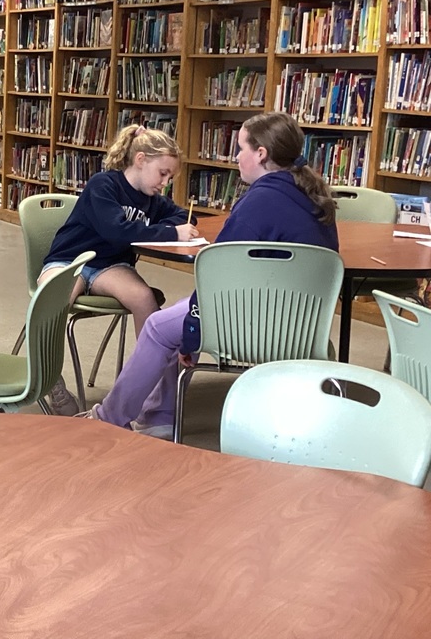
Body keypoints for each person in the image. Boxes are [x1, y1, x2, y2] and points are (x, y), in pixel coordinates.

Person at [81, 112, 339, 438]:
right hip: (301, 327)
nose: (235, 157)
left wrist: (192, 332)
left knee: (159, 327)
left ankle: (114, 419)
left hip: (252, 323)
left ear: (260, 154)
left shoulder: (257, 202)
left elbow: (219, 282)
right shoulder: (314, 197)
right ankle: (156, 417)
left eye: (240, 148)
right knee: (178, 314)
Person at [42, 124, 197, 415]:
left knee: (144, 299)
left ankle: (150, 387)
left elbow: (182, 215)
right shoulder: (104, 184)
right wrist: (171, 233)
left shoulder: (152, 200)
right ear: (140, 160)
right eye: (162, 173)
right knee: (53, 301)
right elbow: (116, 230)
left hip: (109, 266)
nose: (165, 182)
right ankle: (50, 380)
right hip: (70, 259)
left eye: (170, 176)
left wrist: (168, 227)